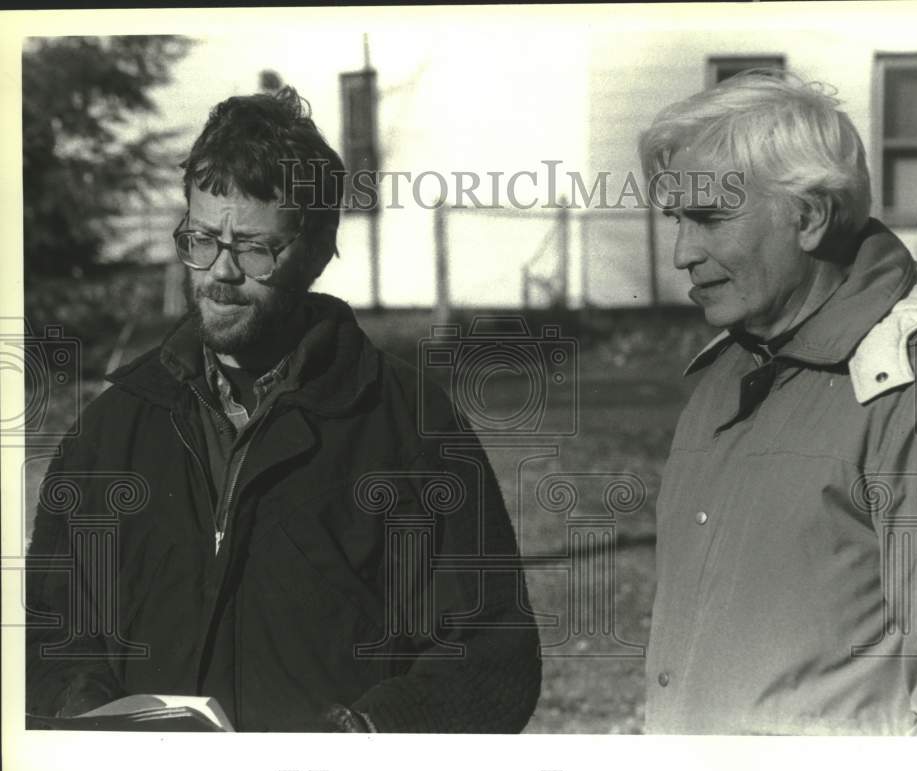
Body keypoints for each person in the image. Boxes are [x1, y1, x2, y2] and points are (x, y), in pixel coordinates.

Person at [25, 86, 541, 732]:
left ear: (319, 248)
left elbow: (491, 656)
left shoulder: (411, 429)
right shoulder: (111, 430)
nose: (220, 271)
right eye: (202, 239)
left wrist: (364, 737)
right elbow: (47, 638)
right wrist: (92, 714)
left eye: (254, 248)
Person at [639, 71, 917, 736]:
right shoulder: (724, 373)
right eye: (676, 220)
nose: (681, 253)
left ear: (809, 216)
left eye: (707, 219)